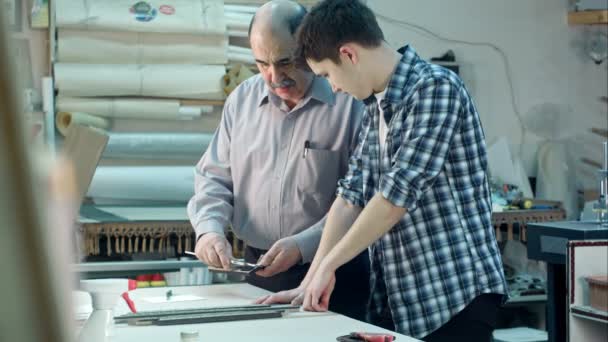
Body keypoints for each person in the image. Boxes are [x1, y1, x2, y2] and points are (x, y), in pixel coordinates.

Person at [261, 0, 508, 341]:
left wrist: (330, 265)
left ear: (349, 54)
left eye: (328, 75)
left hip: (456, 296)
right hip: (403, 299)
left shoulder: (436, 89)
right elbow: (350, 198)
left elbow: (395, 196)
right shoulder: (375, 108)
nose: (332, 87)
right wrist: (310, 279)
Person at [186, 0, 369, 321]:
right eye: (261, 63)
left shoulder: (349, 103)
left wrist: (303, 245)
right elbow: (213, 178)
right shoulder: (241, 101)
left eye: (285, 62)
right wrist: (209, 230)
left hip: (334, 270)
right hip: (258, 269)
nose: (274, 76)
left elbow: (362, 199)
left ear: (308, 48)